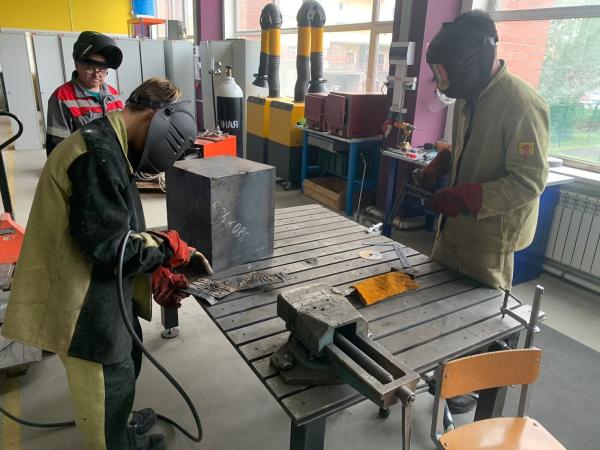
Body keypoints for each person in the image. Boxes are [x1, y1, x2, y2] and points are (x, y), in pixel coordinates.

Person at [2, 77, 198, 450]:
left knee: (127, 360)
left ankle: (121, 423)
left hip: (101, 283)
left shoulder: (111, 140)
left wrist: (151, 264)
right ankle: (114, 440)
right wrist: (163, 249)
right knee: (107, 382)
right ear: (156, 116)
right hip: (81, 301)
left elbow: (114, 223)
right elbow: (111, 247)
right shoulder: (96, 155)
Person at [423, 10, 549, 292]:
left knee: (479, 314)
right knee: (433, 298)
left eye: (446, 71)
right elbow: (477, 145)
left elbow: (529, 182)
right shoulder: (468, 96)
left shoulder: (522, 104)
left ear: (471, 60)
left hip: (488, 240)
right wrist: (444, 160)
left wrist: (467, 197)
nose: (444, 80)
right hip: (452, 227)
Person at [45, 31, 124, 156]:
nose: (96, 74)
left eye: (102, 69)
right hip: (84, 163)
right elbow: (57, 147)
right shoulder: (62, 97)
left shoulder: (113, 94)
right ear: (77, 65)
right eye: (90, 68)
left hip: (113, 159)